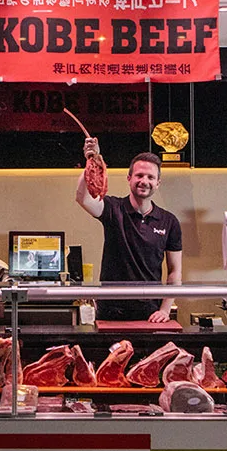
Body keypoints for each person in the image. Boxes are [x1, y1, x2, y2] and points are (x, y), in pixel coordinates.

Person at [73, 137, 182, 323]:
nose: (144, 181)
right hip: (111, 311)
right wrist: (91, 160)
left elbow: (175, 272)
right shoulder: (112, 208)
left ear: (158, 183)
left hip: (149, 312)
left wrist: (165, 310)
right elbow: (82, 198)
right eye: (139, 175)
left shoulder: (169, 221)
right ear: (129, 178)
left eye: (150, 177)